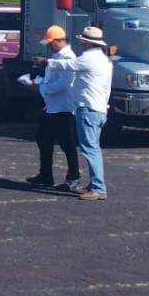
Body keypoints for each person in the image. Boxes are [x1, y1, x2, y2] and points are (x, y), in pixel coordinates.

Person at [37, 26, 112, 201]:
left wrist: (47, 62)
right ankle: (94, 184)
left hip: (88, 107)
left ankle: (98, 187)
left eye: (83, 42)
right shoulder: (104, 59)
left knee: (90, 149)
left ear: (88, 43)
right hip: (99, 107)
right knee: (92, 147)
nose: (82, 44)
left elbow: (68, 65)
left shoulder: (88, 58)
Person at [25, 25, 82, 191]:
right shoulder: (58, 56)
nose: (50, 46)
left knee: (67, 143)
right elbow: (52, 80)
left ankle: (73, 176)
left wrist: (40, 88)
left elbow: (63, 84)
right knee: (43, 139)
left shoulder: (68, 57)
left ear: (59, 40)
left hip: (64, 107)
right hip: (52, 106)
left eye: (51, 43)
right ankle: (45, 175)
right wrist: (40, 84)